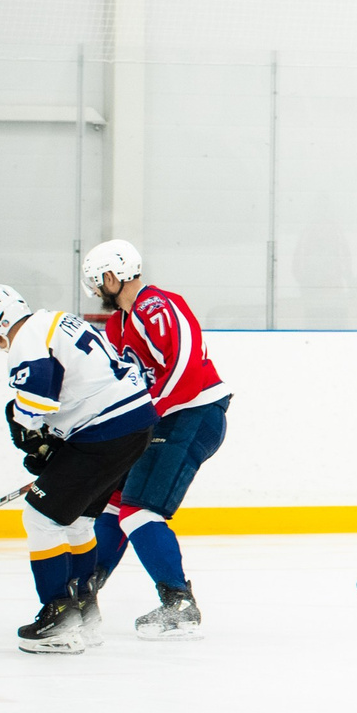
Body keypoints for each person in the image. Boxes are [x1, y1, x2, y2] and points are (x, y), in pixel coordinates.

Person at [0, 284, 159, 654]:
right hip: (134, 423)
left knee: (39, 516)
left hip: (106, 429)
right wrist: (54, 445)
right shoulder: (58, 321)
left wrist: (31, 433)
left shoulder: (27, 337)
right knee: (78, 521)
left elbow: (36, 402)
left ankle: (58, 615)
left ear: (0, 327)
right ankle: (84, 611)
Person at [83, 239, 229, 640]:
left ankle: (179, 603)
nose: (96, 291)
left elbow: (186, 370)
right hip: (162, 420)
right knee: (113, 503)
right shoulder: (118, 325)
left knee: (138, 510)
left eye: (97, 282)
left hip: (192, 413)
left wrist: (145, 414)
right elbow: (120, 387)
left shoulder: (156, 306)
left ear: (111, 277)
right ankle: (84, 591)